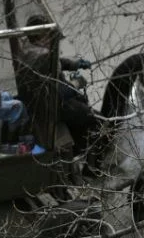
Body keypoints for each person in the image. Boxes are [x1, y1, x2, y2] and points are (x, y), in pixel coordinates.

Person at [20, 15, 99, 155]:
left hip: (46, 99)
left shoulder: (29, 47)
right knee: (91, 118)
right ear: (40, 37)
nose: (53, 40)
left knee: (82, 105)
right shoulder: (42, 57)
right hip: (51, 105)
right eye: (49, 36)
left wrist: (74, 64)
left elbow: (56, 63)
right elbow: (57, 92)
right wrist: (76, 84)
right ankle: (79, 156)